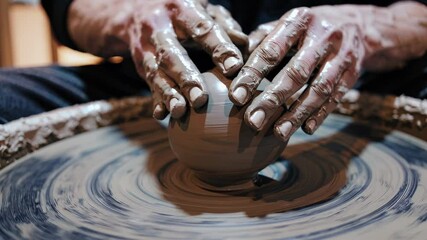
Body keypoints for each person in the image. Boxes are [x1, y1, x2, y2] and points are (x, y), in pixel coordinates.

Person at [1, 0, 426, 143]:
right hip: (164, 74)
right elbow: (65, 6)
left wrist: (368, 30)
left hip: (346, 67)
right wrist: (131, 15)